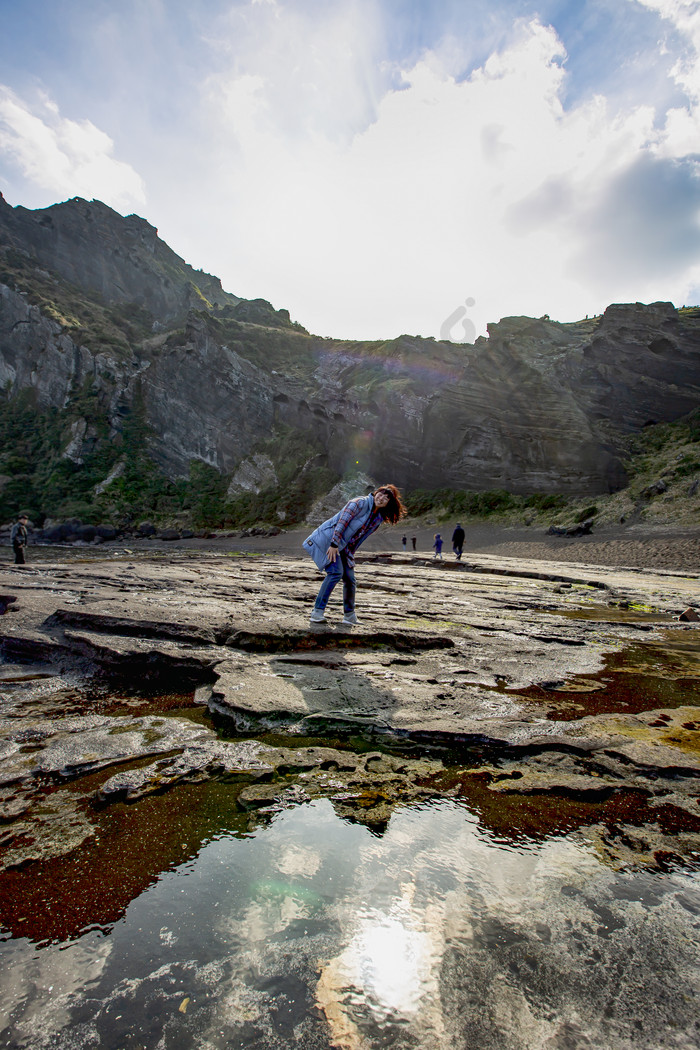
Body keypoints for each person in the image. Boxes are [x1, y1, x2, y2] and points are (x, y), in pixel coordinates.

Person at [303, 484, 406, 625]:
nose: (382, 498)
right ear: (376, 493)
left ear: (389, 503)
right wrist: (334, 544)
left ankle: (349, 616)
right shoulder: (359, 503)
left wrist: (349, 555)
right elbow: (342, 523)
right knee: (335, 573)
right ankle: (317, 612)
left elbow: (357, 538)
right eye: (381, 494)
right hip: (330, 541)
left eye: (387, 498)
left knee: (350, 579)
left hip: (344, 548)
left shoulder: (377, 519)